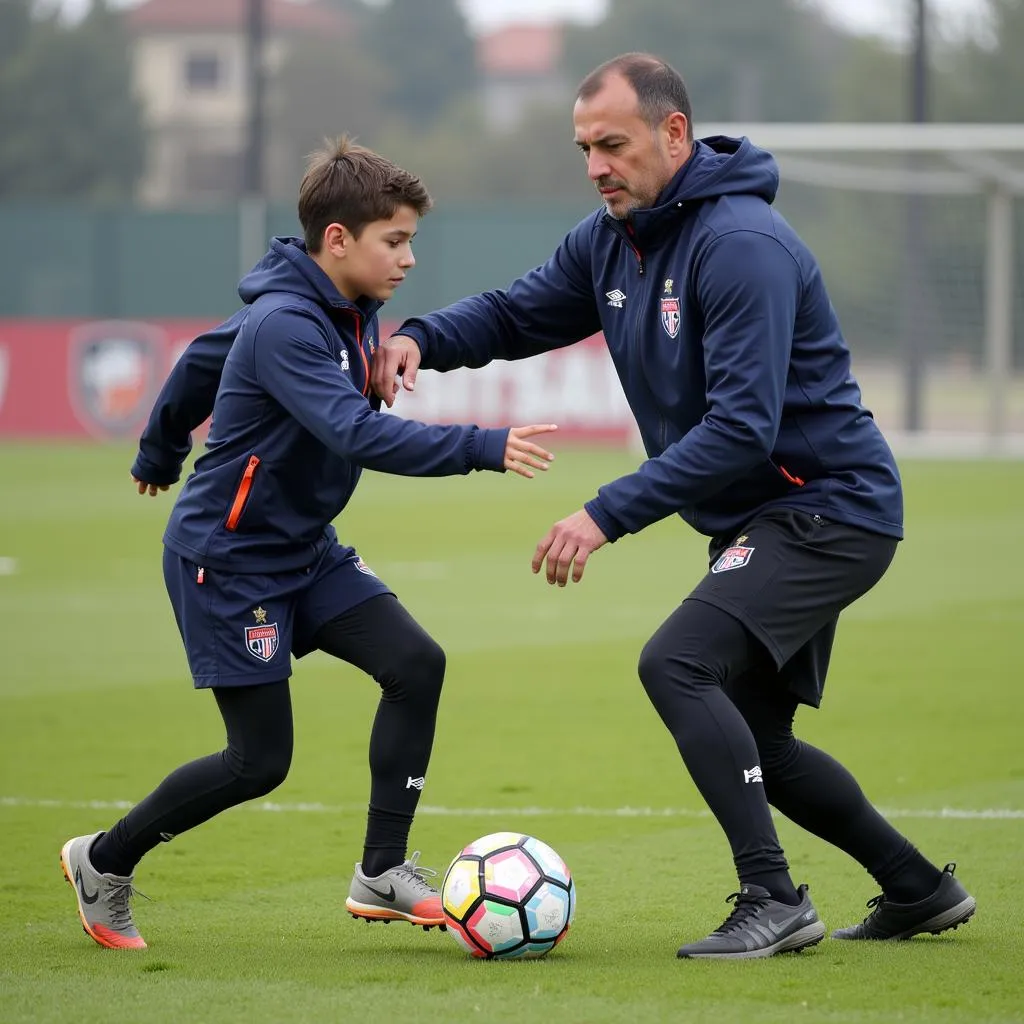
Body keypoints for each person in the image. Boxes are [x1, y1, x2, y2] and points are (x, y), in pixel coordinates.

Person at [371, 54, 977, 959]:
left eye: (612, 144)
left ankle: (773, 899)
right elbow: (515, 314)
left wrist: (604, 513)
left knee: (677, 664)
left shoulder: (743, 247)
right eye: (584, 148)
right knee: (762, 744)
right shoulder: (612, 238)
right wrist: (421, 335)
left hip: (829, 509)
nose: (596, 165)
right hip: (768, 519)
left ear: (675, 134)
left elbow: (740, 428)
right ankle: (919, 889)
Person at [59, 136, 558, 951]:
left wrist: (159, 450)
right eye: (394, 240)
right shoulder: (287, 324)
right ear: (338, 240)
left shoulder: (342, 310)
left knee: (415, 663)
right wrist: (482, 445)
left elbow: (196, 362)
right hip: (229, 561)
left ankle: (381, 871)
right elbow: (356, 433)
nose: (409, 258)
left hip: (304, 550)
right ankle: (103, 863)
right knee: (258, 764)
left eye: (410, 240)